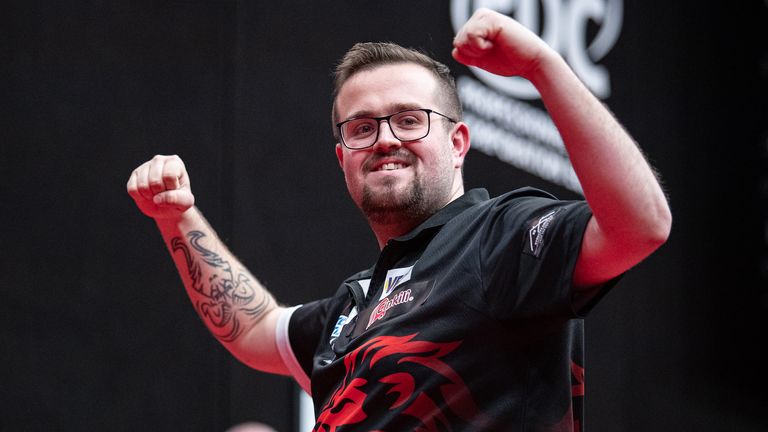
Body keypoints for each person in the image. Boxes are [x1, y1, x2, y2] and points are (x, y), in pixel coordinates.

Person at [127, 8, 671, 432]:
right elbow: (254, 328)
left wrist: (541, 66)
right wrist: (177, 217)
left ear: (458, 143)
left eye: (410, 120)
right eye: (361, 128)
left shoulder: (497, 238)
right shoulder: (354, 302)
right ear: (342, 158)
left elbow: (640, 225)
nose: (385, 138)